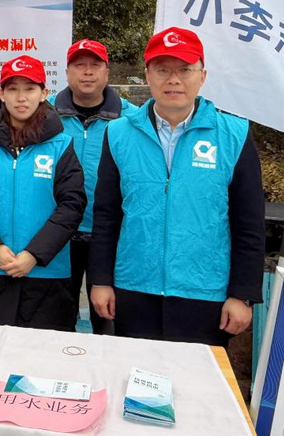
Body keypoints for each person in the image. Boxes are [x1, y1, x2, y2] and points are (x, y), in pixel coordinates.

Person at [88, 27, 266, 346]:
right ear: (148, 75)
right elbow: (106, 215)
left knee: (196, 376)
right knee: (134, 371)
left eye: (185, 70)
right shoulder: (118, 134)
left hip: (205, 291)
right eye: (162, 70)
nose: (174, 80)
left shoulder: (233, 135)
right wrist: (100, 280)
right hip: (134, 286)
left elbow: (249, 222)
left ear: (202, 76)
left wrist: (243, 293)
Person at [0, 55, 86, 331]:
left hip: (46, 273)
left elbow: (72, 204)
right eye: (13, 89)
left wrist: (34, 254)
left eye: (30, 89)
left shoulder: (61, 144)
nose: (21, 98)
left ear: (44, 93)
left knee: (41, 353)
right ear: (1, 94)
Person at [50, 39, 132, 333]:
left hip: (110, 235)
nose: (87, 72)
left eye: (95, 65)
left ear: (106, 72)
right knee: (57, 320)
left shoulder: (131, 119)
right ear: (67, 72)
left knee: (108, 320)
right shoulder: (45, 114)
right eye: (79, 65)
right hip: (57, 233)